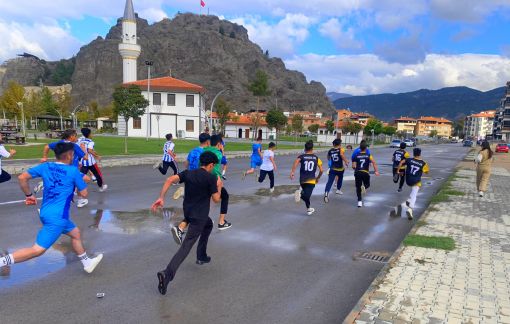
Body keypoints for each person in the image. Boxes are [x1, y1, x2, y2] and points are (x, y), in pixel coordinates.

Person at [0, 142, 103, 273]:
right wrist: (76, 186)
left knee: (76, 233)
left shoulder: (46, 166)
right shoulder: (73, 171)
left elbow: (22, 177)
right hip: (57, 217)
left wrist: (29, 195)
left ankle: (87, 263)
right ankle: (1, 262)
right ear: (70, 155)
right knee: (37, 250)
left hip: (46, 212)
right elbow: (83, 193)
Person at [151, 151, 222, 295]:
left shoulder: (188, 173)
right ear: (211, 165)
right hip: (198, 217)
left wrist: (161, 198)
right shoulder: (211, 178)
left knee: (208, 225)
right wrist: (219, 186)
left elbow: (169, 180)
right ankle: (167, 274)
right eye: (214, 166)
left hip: (188, 213)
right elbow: (216, 199)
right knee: (186, 246)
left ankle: (201, 255)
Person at [172, 135, 232, 244]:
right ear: (217, 144)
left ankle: (180, 228)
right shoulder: (215, 153)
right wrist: (222, 152)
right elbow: (222, 162)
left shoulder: (198, 150)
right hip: (208, 181)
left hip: (193, 180)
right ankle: (221, 222)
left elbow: (187, 164)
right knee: (222, 197)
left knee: (196, 208)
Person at [39, 129, 89, 208]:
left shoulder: (59, 143)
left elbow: (47, 146)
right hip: (70, 170)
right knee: (85, 179)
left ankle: (49, 184)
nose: (77, 138)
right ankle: (79, 199)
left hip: (60, 168)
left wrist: (44, 157)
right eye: (76, 136)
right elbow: (85, 158)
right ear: (71, 136)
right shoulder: (74, 146)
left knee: (74, 182)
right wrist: (83, 149)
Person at [290, 140, 323, 216]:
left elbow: (296, 161)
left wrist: (292, 172)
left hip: (302, 180)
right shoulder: (316, 158)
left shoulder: (302, 156)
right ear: (312, 149)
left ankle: (308, 209)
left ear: (305, 149)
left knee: (306, 195)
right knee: (306, 195)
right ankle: (300, 194)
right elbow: (321, 170)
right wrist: (317, 178)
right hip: (311, 180)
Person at [399, 147, 429, 219]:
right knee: (414, 194)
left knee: (413, 193)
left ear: (413, 153)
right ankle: (410, 209)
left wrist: (398, 171)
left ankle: (409, 201)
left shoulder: (409, 160)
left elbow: (401, 162)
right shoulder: (423, 163)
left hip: (408, 180)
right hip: (416, 181)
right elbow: (427, 172)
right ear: (420, 154)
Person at [78, 128, 107, 192]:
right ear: (88, 134)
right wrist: (97, 156)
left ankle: (77, 189)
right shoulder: (91, 142)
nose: (92, 134)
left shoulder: (81, 140)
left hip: (83, 162)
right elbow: (90, 150)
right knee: (97, 175)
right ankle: (101, 187)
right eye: (91, 133)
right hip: (91, 163)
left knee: (81, 176)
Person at [352, 141, 380, 208]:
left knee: (358, 187)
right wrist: (376, 171)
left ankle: (359, 202)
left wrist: (355, 169)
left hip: (358, 172)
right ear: (366, 148)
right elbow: (374, 163)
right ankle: (364, 187)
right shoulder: (368, 155)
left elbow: (353, 166)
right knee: (367, 185)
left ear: (360, 147)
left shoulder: (356, 155)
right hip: (365, 172)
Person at [324, 138, 349, 203]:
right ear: (340, 144)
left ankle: (326, 193)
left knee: (330, 181)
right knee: (340, 178)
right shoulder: (341, 149)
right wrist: (346, 161)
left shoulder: (330, 150)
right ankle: (338, 190)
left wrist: (331, 161)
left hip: (333, 168)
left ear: (333, 144)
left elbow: (328, 157)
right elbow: (342, 155)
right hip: (340, 168)